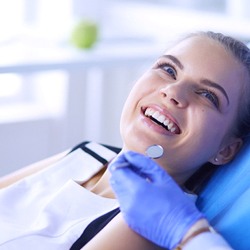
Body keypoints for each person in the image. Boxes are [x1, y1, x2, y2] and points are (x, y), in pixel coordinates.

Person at [0, 30, 250, 249]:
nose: (173, 91)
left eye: (208, 95)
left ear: (226, 150)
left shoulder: (149, 223)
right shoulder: (87, 152)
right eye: (168, 69)